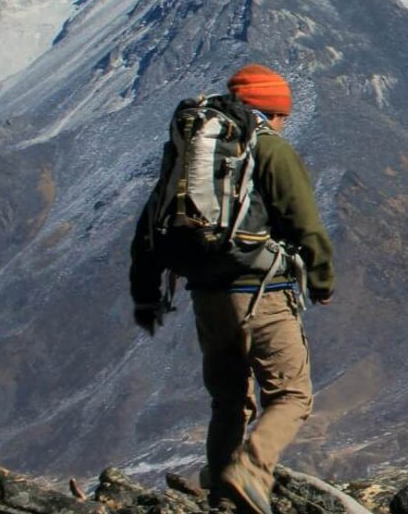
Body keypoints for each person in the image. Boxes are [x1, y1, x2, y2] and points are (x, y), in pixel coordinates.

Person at [130, 64, 335, 514]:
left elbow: (149, 225)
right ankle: (249, 473)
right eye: (283, 115)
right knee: (291, 395)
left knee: (228, 399)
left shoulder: (189, 156)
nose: (284, 123)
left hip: (206, 295)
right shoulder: (268, 149)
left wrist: (145, 292)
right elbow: (306, 224)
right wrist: (321, 280)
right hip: (262, 292)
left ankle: (225, 498)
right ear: (272, 110)